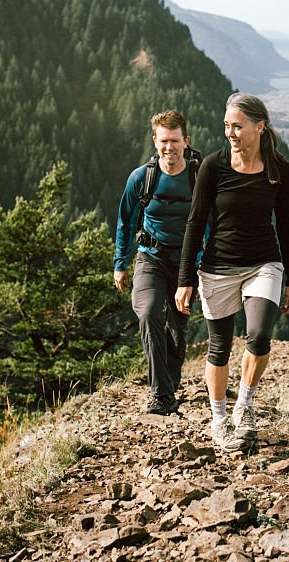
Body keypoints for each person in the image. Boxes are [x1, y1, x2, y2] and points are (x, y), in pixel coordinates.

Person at [174, 92, 289, 450]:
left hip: (264, 263)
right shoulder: (213, 166)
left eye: (237, 126)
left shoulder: (279, 170)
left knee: (258, 336)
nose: (230, 132)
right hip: (217, 268)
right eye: (226, 125)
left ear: (259, 127)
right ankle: (218, 418)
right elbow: (195, 223)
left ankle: (245, 403)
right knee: (220, 347)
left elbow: (286, 225)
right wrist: (185, 279)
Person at [114, 110, 200, 415]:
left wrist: (197, 266)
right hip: (150, 257)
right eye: (164, 141)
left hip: (186, 263)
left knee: (177, 328)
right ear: (155, 140)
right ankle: (162, 395)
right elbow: (126, 220)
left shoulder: (198, 177)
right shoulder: (142, 177)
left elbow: (212, 224)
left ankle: (170, 382)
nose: (169, 148)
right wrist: (119, 263)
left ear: (186, 142)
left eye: (175, 141)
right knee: (148, 313)